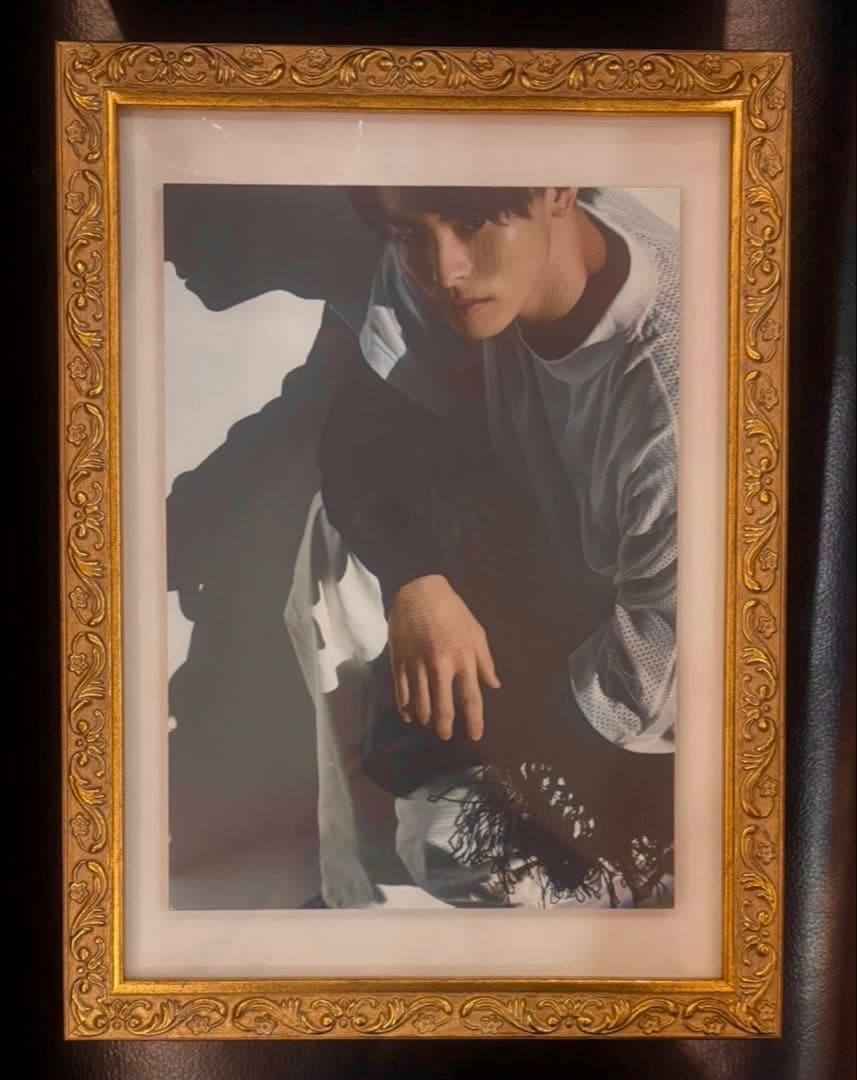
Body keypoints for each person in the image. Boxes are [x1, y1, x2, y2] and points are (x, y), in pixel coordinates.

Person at [285, 185, 678, 909]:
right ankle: (355, 892)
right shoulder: (433, 245)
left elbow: (648, 681)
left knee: (451, 850)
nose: (447, 270)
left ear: (558, 189)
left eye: (471, 223)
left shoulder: (680, 393)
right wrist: (416, 581)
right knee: (335, 541)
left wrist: (461, 746)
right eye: (410, 234)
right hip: (551, 584)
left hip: (671, 717)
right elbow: (363, 432)